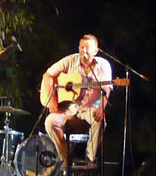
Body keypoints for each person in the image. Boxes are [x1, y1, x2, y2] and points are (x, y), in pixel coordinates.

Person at [42, 34, 112, 166]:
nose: (84, 51)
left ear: (96, 51)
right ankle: (66, 156)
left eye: (87, 48)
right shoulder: (70, 60)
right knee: (49, 122)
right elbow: (47, 75)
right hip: (68, 108)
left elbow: (106, 89)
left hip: (88, 109)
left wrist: (101, 108)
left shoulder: (103, 65)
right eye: (81, 48)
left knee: (100, 121)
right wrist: (52, 100)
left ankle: (90, 159)